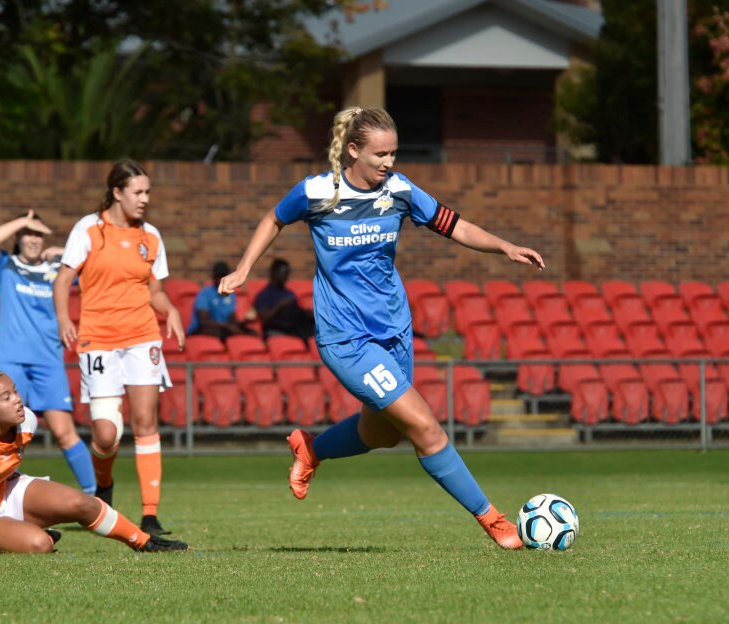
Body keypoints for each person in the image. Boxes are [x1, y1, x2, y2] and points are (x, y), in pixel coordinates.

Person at [219, 106, 545, 549]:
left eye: (394, 153)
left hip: (394, 331)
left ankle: (312, 449)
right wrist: (243, 269)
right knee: (425, 428)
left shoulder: (400, 191)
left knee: (383, 433)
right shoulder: (317, 192)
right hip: (346, 338)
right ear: (353, 150)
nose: (389, 163)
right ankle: (493, 520)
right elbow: (274, 219)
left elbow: (454, 224)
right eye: (380, 155)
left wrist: (504, 247)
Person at [0, 352, 186, 554]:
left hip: (3, 492)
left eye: (16, 392)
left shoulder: (26, 421)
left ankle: (143, 542)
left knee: (83, 504)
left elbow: (0, 464)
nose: (17, 400)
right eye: (6, 397)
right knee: (39, 544)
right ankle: (27, 534)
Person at [53, 159, 185, 537]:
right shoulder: (89, 229)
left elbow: (155, 291)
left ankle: (149, 514)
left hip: (143, 337)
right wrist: (65, 320)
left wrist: (170, 309)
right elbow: (63, 281)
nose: (144, 200)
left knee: (146, 423)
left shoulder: (151, 237)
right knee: (106, 434)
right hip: (99, 340)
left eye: (148, 193)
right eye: (138, 192)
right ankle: (104, 486)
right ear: (117, 192)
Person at [0, 210, 96, 495]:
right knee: (1, 433)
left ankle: (96, 497)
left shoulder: (58, 269)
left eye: (38, 234)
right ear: (19, 238)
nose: (33, 239)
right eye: (28, 234)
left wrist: (65, 251)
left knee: (63, 432)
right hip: (10, 359)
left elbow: (95, 269)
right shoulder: (6, 266)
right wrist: (23, 221)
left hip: (48, 361)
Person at [186, 261, 256, 339]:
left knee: (252, 332)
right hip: (200, 330)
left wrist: (245, 322)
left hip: (223, 328)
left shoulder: (231, 294)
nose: (221, 280)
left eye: (224, 276)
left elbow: (232, 320)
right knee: (222, 333)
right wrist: (227, 326)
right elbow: (204, 321)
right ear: (213, 277)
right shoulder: (205, 293)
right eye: (218, 276)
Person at [254, 258, 315, 341]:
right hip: (276, 329)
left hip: (294, 327)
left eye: (287, 274)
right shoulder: (264, 295)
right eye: (284, 274)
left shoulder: (289, 293)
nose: (286, 277)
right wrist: (280, 305)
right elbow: (265, 319)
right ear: (274, 273)